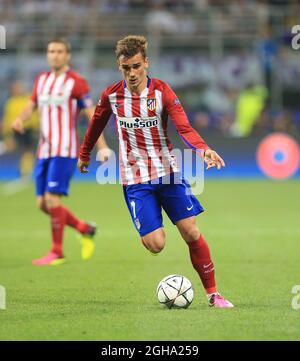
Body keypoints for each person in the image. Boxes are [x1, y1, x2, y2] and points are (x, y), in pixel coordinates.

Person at [78, 35, 234, 308]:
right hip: (135, 179)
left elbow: (184, 127)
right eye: (126, 68)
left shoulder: (162, 92)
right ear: (120, 67)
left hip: (168, 173)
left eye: (137, 66)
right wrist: (84, 153)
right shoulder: (112, 96)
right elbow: (95, 124)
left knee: (191, 231)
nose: (132, 73)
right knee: (156, 244)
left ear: (146, 63)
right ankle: (149, 225)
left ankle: (213, 293)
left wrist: (203, 149)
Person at [12, 38, 111, 266]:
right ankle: (85, 229)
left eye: (59, 51)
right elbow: (32, 104)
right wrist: (20, 119)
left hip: (65, 149)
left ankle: (57, 251)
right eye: (51, 51)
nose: (54, 55)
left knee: (52, 199)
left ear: (67, 56)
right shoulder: (42, 80)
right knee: (43, 204)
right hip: (44, 150)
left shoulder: (76, 82)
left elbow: (91, 114)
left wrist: (102, 146)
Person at [2, 81, 39, 176]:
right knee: (14, 148)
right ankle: (24, 170)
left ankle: (25, 170)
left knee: (28, 150)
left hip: (28, 129)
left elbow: (35, 114)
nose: (17, 90)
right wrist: (7, 132)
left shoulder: (29, 98)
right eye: (15, 88)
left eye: (19, 88)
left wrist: (37, 125)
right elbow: (8, 118)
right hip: (15, 130)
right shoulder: (11, 102)